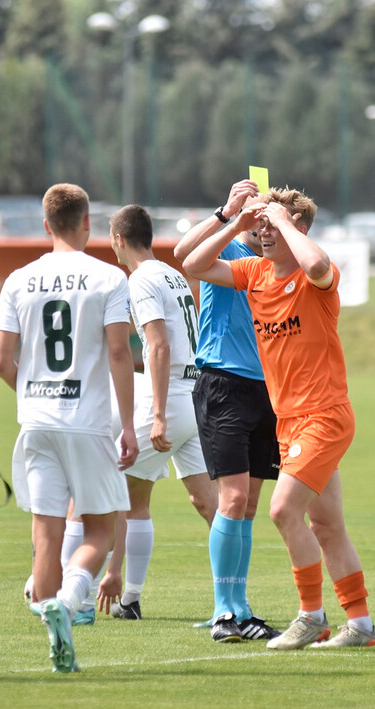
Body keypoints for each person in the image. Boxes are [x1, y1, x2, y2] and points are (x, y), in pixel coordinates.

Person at [183, 187, 375, 650]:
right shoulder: (254, 272)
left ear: (299, 228)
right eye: (263, 226)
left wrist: (284, 221)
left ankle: (311, 616)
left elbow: (315, 266)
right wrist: (236, 221)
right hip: (287, 421)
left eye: (273, 225)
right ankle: (362, 625)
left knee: (280, 510)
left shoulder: (316, 275)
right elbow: (191, 265)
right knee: (326, 525)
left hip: (324, 416)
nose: (265, 232)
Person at [0, 182, 138, 674]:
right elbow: (120, 352)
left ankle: (58, 645)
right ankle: (72, 600)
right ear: (87, 223)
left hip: (35, 421)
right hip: (86, 420)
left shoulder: (18, 279)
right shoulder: (108, 278)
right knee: (101, 528)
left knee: (46, 534)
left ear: (44, 224)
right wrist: (130, 426)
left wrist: (33, 394)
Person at [91, 204, 218, 622]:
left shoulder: (141, 279)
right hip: (197, 392)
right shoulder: (171, 272)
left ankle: (114, 594)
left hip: (172, 397)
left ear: (120, 240)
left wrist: (159, 414)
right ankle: (231, 602)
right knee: (211, 506)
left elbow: (158, 346)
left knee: (124, 497)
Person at [173, 180, 281, 643]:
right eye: (260, 218)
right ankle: (222, 613)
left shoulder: (275, 263)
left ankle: (241, 606)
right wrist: (228, 213)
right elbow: (183, 254)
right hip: (223, 384)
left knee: (249, 505)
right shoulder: (229, 250)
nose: (263, 226)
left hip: (266, 390)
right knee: (232, 500)